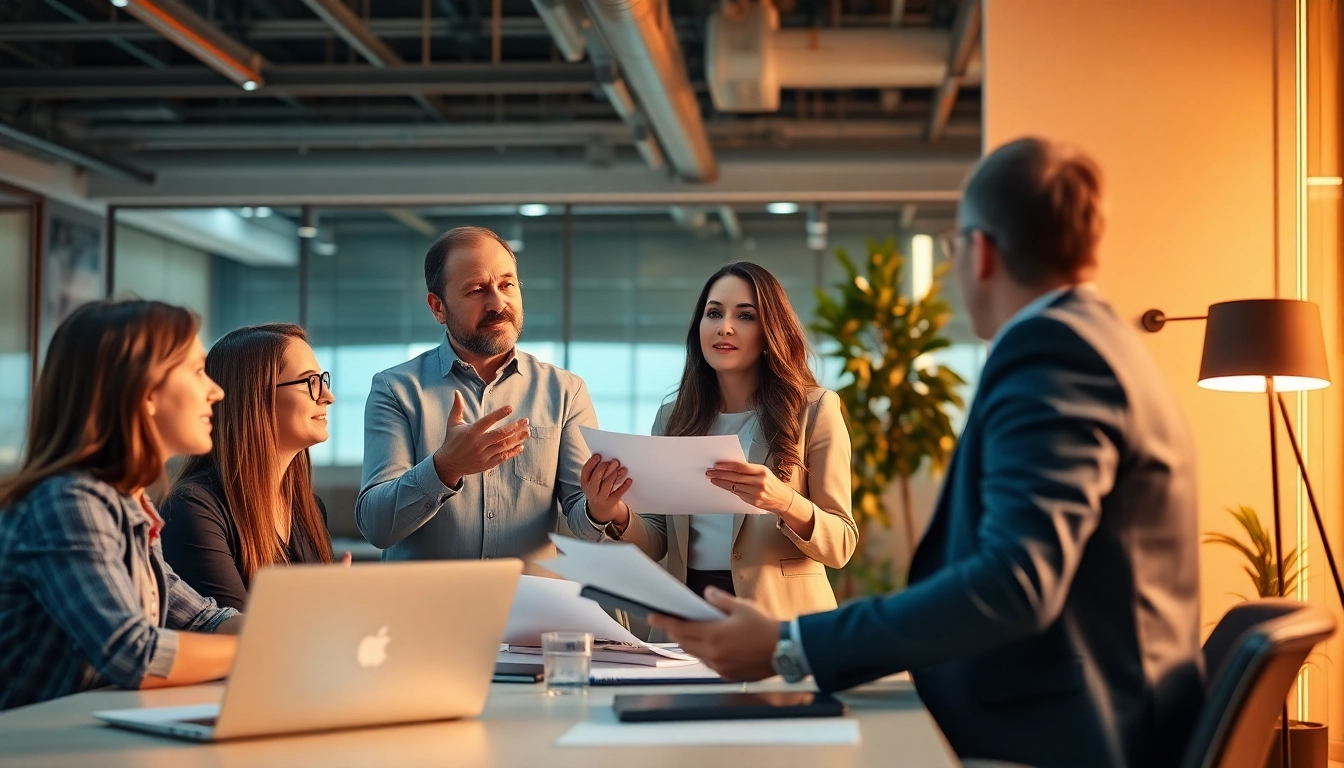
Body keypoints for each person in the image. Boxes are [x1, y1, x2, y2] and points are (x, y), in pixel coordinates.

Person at [647, 138, 1203, 768]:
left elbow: (1014, 582)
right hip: (1081, 710)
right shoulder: (1097, 342)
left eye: (952, 245)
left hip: (1069, 728)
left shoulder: (1053, 355)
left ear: (981, 252)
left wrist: (788, 643)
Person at [577, 262, 857, 620]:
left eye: (745, 316)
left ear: (770, 331)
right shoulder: (672, 417)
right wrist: (611, 511)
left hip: (779, 619)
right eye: (714, 313)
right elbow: (658, 538)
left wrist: (784, 501)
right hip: (686, 615)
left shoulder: (815, 409)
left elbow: (842, 543)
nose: (724, 327)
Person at [0, 300, 244, 711]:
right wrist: (264, 647)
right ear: (145, 391)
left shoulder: (129, 503)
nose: (216, 390)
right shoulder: (68, 503)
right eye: (199, 371)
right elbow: (135, 654)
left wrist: (292, 624)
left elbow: (203, 620)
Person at [357, 226, 597, 564]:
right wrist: (445, 468)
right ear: (437, 307)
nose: (498, 303)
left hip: (532, 609)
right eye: (477, 290)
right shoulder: (395, 390)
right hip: (429, 611)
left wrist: (600, 509)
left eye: (507, 285)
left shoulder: (565, 391)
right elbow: (376, 526)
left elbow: (583, 519)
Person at [160, 324, 347, 612]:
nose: (327, 396)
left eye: (323, 380)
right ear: (254, 395)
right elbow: (240, 636)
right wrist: (326, 608)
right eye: (310, 382)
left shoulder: (309, 509)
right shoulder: (193, 508)